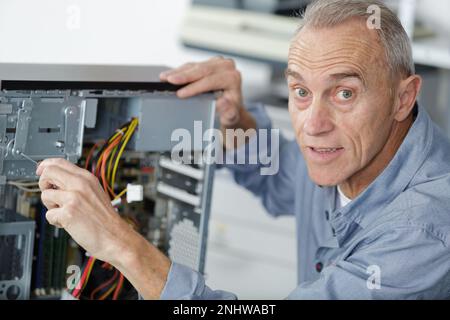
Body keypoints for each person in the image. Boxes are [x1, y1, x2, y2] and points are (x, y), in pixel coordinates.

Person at [37, 0, 450, 299]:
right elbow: (281, 178)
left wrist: (118, 243)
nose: (313, 124)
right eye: (301, 91)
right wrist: (237, 123)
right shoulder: (346, 155)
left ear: (403, 98)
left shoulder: (423, 231)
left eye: (344, 93)